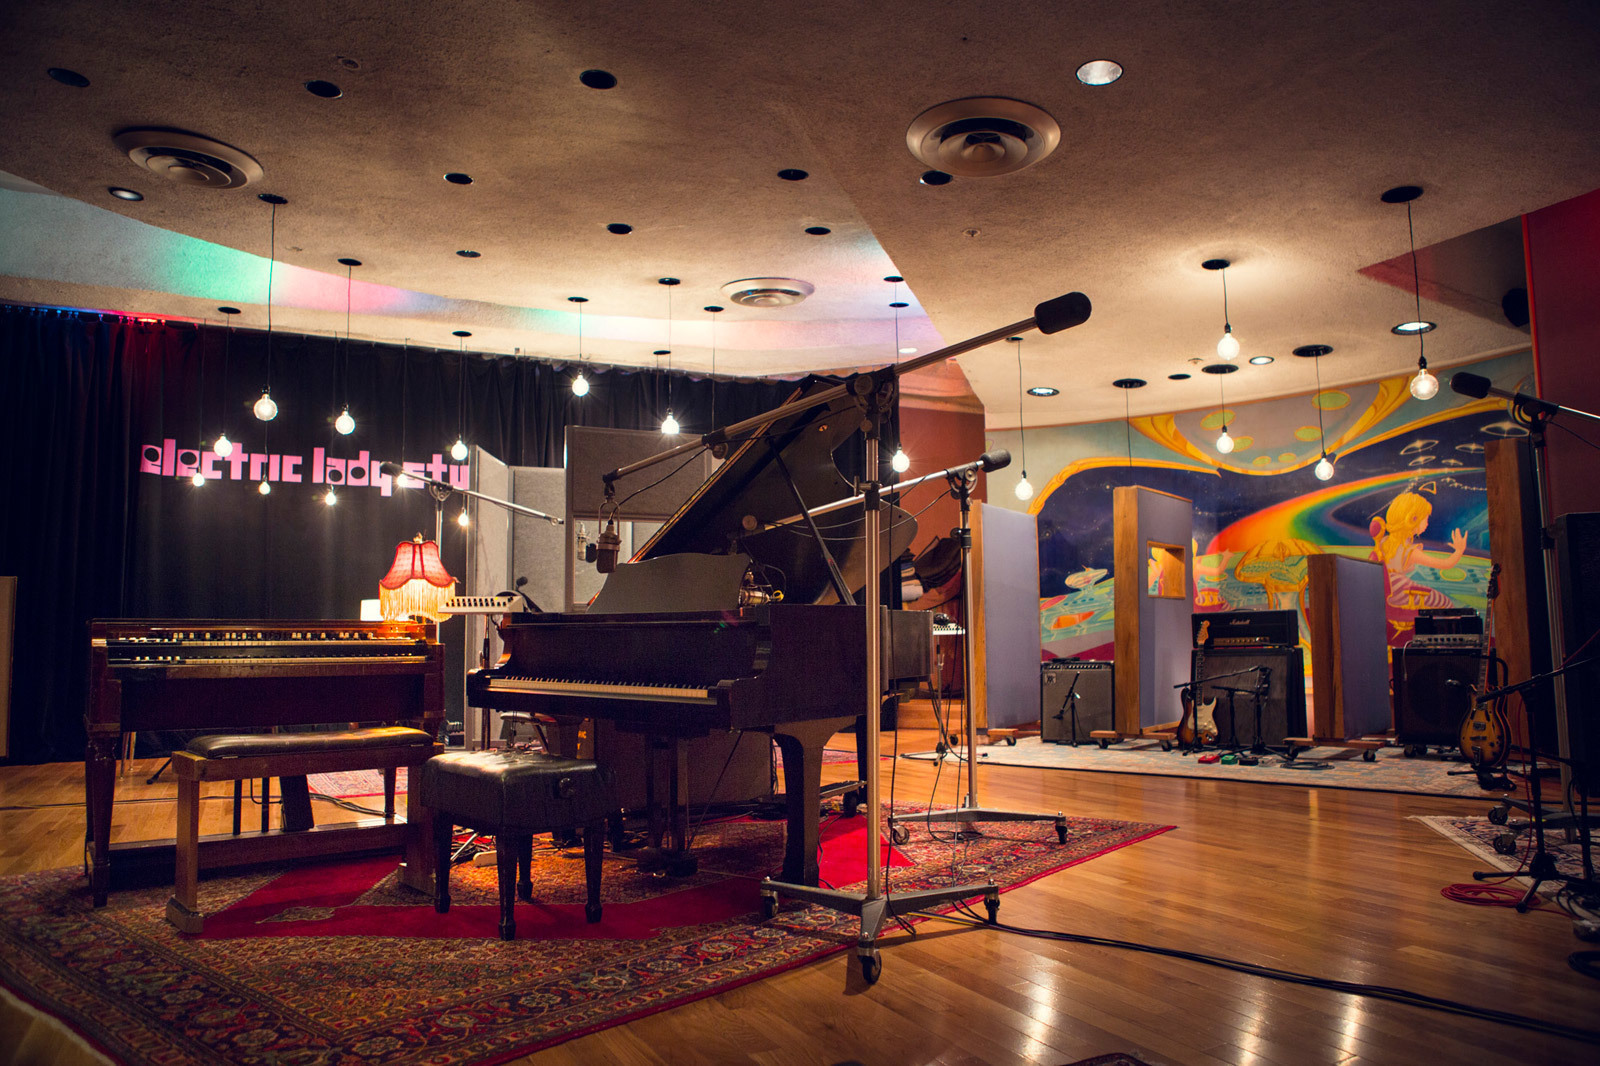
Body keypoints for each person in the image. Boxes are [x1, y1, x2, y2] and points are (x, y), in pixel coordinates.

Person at [1369, 489, 1466, 614]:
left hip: (1388, 593)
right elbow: (1445, 564)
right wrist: (1459, 551)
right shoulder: (1410, 552)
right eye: (1425, 519)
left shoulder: (1384, 542)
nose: (1427, 523)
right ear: (1413, 519)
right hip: (1401, 594)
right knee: (1446, 603)